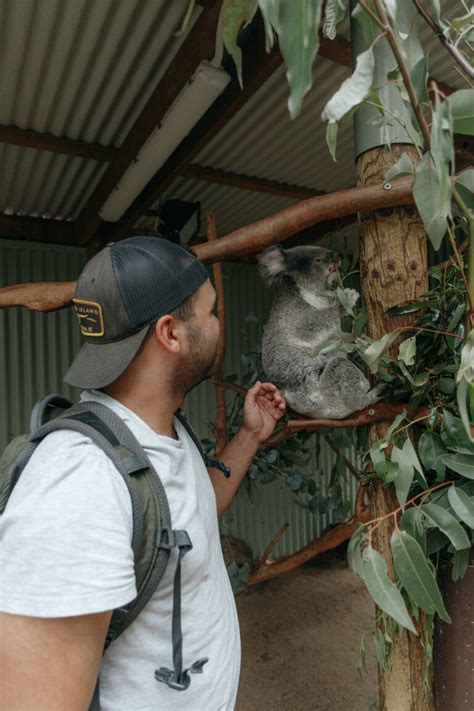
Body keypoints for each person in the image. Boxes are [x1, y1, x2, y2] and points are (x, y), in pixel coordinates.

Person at [0, 236, 286, 711]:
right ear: (170, 333)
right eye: (210, 312)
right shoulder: (79, 483)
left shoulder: (159, 429)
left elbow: (193, 514)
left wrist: (250, 437)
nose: (218, 325)